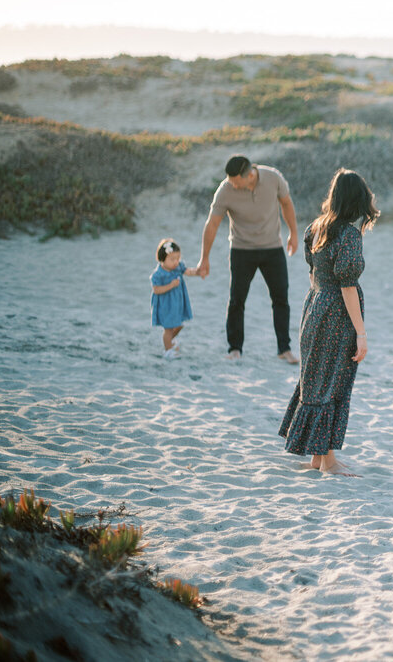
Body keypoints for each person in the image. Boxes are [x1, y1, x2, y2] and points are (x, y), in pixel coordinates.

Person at [279, 169, 379, 476]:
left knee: (315, 379)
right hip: (336, 313)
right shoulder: (348, 235)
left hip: (314, 306)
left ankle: (317, 457)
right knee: (332, 381)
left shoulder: (315, 228)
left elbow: (312, 274)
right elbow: (347, 286)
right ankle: (328, 462)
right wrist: (361, 333)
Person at [196, 155, 299, 363]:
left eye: (235, 181)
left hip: (272, 248)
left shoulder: (272, 178)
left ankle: (284, 349)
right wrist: (204, 258)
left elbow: (286, 204)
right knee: (237, 301)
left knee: (281, 298)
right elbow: (212, 224)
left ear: (250, 175)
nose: (231, 184)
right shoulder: (225, 190)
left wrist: (293, 233)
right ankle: (234, 348)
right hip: (242, 250)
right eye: (230, 180)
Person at [151, 238, 200, 359]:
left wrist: (198, 272)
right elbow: (156, 290)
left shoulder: (178, 267)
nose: (176, 262)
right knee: (168, 329)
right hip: (165, 304)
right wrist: (171, 285)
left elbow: (188, 271)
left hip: (177, 303)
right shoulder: (159, 274)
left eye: (178, 258)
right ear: (162, 259)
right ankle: (168, 350)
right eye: (172, 259)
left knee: (179, 324)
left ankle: (169, 342)